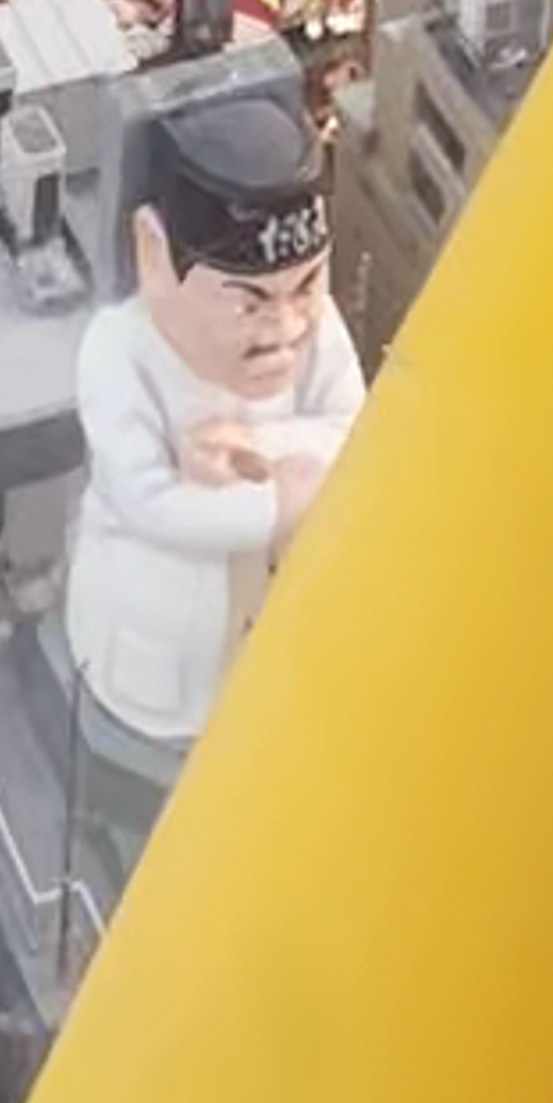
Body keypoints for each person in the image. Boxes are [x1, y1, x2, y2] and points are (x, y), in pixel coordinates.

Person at [62, 71, 367, 766]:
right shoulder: (119, 350)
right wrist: (281, 502)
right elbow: (149, 502)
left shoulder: (315, 331)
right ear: (152, 250)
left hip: (277, 641)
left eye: (307, 286)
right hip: (157, 653)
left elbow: (355, 430)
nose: (285, 326)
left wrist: (258, 453)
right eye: (248, 300)